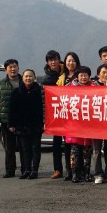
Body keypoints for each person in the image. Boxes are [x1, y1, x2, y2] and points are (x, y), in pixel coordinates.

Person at [0, 59, 23, 178]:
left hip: (22, 119)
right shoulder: (0, 84)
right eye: (10, 67)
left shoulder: (24, 81)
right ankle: (10, 170)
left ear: (18, 68)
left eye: (15, 67)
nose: (13, 69)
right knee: (9, 147)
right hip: (6, 119)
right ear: (6, 70)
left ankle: (25, 169)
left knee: (23, 146)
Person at [9, 69, 44, 180]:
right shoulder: (16, 91)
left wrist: (44, 123)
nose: (28, 78)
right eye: (26, 76)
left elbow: (44, 108)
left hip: (36, 124)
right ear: (22, 78)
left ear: (34, 77)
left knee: (35, 148)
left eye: (30, 76)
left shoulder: (40, 91)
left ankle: (35, 170)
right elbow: (12, 109)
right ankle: (27, 170)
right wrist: (11, 124)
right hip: (21, 125)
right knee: (25, 149)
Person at [63, 64, 94, 183]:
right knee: (74, 151)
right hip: (74, 125)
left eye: (86, 75)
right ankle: (74, 173)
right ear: (77, 76)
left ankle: (87, 173)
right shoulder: (69, 88)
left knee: (87, 151)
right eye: (81, 75)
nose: (83, 77)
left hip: (88, 125)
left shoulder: (95, 88)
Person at [56, 51, 81, 181]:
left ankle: (80, 170)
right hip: (66, 116)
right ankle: (69, 171)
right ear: (65, 63)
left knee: (79, 145)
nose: (71, 63)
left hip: (79, 116)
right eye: (68, 60)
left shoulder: (81, 76)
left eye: (73, 60)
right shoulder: (61, 78)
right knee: (67, 145)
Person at [42, 50, 67, 180]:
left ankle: (72, 168)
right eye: (50, 60)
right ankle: (57, 169)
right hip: (56, 114)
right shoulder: (47, 79)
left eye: (55, 59)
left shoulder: (67, 73)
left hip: (69, 113)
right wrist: (45, 119)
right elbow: (44, 100)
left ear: (59, 60)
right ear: (47, 62)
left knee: (70, 143)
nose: (53, 62)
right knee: (56, 144)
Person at [91, 64, 107, 184]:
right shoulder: (92, 87)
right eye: (103, 73)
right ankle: (98, 174)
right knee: (96, 149)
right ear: (98, 74)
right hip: (96, 123)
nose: (106, 75)